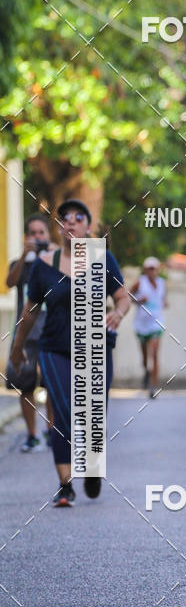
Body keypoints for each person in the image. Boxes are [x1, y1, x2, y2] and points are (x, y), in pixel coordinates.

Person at [9, 199, 130, 507]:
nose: (71, 222)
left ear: (88, 227)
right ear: (59, 227)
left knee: (94, 412)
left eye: (78, 217)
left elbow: (122, 296)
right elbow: (30, 310)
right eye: (65, 218)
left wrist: (118, 313)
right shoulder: (44, 265)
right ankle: (65, 485)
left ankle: (92, 464)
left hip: (96, 347)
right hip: (54, 348)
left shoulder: (102, 258)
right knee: (63, 408)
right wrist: (17, 347)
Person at [5, 213, 57, 451]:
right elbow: (9, 282)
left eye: (41, 233)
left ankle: (51, 432)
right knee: (24, 384)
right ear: (26, 237)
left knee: (52, 384)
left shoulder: (56, 261)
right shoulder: (20, 264)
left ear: (48, 235)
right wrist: (24, 256)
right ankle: (32, 435)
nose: (37, 237)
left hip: (51, 330)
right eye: (32, 233)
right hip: (25, 332)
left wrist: (56, 255)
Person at [131, 257, 167, 399]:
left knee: (155, 354)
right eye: (149, 269)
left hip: (156, 322)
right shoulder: (140, 282)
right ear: (145, 270)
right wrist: (138, 300)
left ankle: (153, 386)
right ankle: (147, 371)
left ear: (157, 270)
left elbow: (163, 299)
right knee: (145, 357)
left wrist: (165, 303)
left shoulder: (162, 283)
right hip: (141, 323)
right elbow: (127, 296)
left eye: (154, 269)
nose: (152, 272)